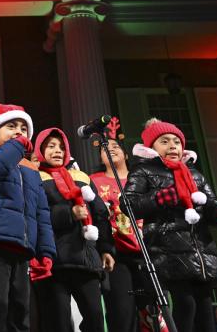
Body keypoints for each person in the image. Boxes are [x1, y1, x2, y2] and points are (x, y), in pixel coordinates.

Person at [123, 118, 217, 332]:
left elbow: (210, 204)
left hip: (200, 250)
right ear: (151, 147)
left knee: (205, 308)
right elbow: (129, 204)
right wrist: (160, 197)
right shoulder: (143, 171)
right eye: (164, 141)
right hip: (169, 250)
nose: (172, 146)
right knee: (185, 304)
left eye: (176, 141)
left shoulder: (194, 174)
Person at [0, 103, 56, 332]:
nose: (19, 131)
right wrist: (16, 147)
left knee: (20, 311)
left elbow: (41, 211)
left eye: (23, 128)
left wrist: (45, 251)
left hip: (22, 246)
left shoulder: (30, 168)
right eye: (11, 126)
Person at [33, 127, 115, 332]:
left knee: (95, 318)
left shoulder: (82, 177)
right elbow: (35, 216)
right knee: (57, 322)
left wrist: (105, 248)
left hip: (85, 260)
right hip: (53, 262)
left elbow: (100, 215)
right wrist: (68, 214)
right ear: (40, 150)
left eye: (61, 147)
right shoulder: (35, 178)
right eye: (51, 146)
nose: (57, 151)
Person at [89, 123, 145, 332]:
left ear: (126, 154)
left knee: (153, 312)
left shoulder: (140, 178)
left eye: (115, 147)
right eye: (105, 149)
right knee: (121, 312)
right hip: (115, 253)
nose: (110, 149)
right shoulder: (93, 181)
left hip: (146, 251)